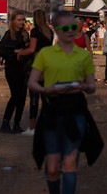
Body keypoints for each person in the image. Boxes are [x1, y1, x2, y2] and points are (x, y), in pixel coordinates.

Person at [28, 10, 98, 194]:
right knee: (52, 168)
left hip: (76, 110)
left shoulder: (83, 56)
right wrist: (46, 90)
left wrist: (83, 86)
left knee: (69, 163)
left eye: (72, 27)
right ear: (56, 30)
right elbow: (32, 82)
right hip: (52, 109)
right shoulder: (46, 54)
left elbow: (92, 87)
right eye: (65, 28)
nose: (70, 31)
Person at [19, 9, 54, 135]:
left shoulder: (35, 31)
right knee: (46, 98)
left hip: (36, 66)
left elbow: (32, 49)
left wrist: (20, 53)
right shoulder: (49, 31)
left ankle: (32, 128)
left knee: (34, 97)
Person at [0, 11, 29, 133]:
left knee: (22, 97)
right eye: (19, 20)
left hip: (23, 68)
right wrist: (15, 51)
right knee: (15, 95)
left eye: (23, 20)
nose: (21, 22)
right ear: (13, 21)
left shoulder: (25, 34)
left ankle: (17, 123)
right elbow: (0, 50)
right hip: (12, 68)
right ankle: (5, 123)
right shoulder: (8, 34)